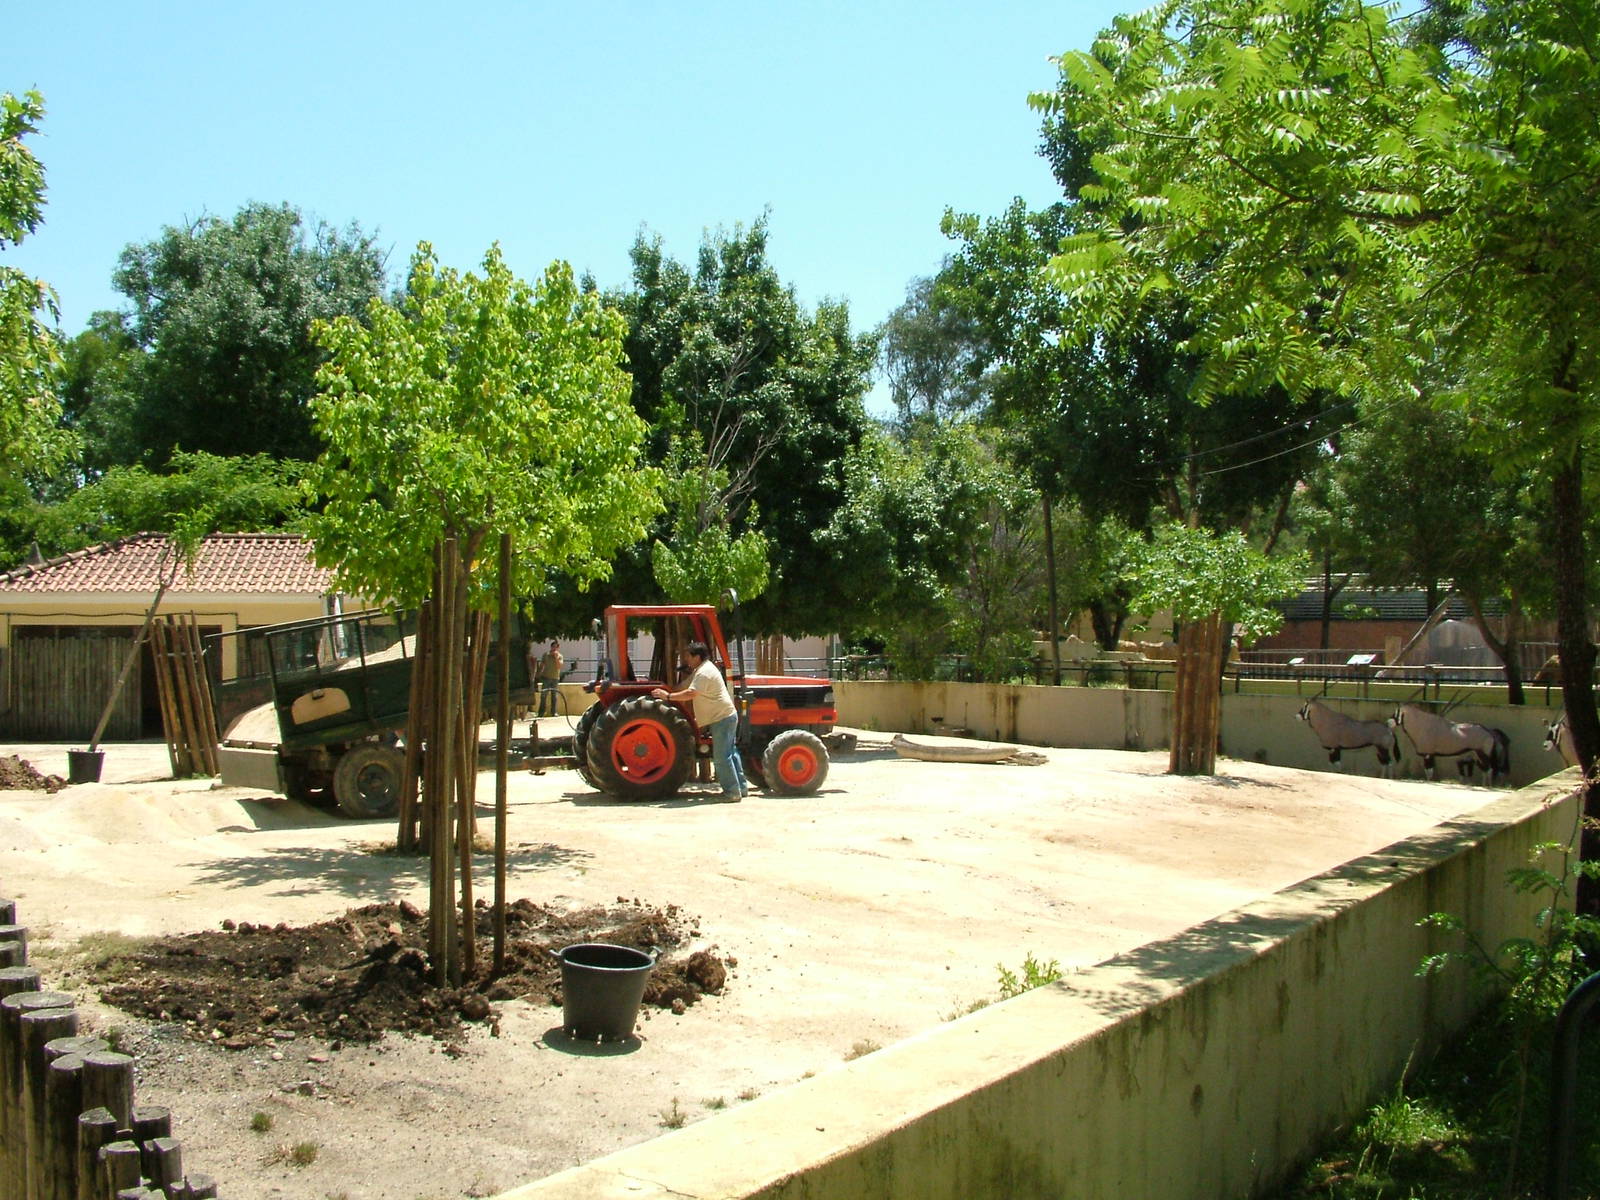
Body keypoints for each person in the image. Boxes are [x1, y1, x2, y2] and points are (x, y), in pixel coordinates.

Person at [651, 641, 746, 800]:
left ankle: (732, 793)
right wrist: (668, 689)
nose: (687, 659)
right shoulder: (701, 670)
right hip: (726, 716)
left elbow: (690, 693)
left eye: (689, 656)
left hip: (721, 718)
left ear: (698, 657)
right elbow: (684, 685)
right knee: (731, 753)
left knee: (722, 758)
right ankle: (741, 788)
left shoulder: (704, 673)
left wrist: (667, 697)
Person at [535, 640, 563, 718]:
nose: (554, 648)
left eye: (556, 647)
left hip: (555, 678)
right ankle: (541, 712)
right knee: (543, 695)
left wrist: (556, 657)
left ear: (558, 648)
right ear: (551, 647)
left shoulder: (560, 656)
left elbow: (559, 666)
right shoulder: (546, 655)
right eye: (553, 646)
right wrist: (538, 674)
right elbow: (542, 665)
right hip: (546, 677)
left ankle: (553, 712)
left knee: (554, 696)